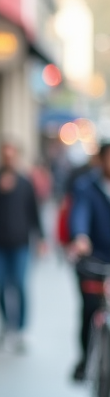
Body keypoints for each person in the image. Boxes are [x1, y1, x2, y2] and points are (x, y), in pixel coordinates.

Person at [0, 139, 42, 352]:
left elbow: (34, 212)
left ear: (17, 157)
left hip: (20, 244)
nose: (8, 159)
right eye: (5, 155)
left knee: (20, 286)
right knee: (1, 287)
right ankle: (6, 326)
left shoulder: (25, 182)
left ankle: (21, 329)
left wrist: (41, 238)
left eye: (12, 155)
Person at [67, 142, 110, 380]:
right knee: (90, 309)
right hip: (94, 258)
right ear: (101, 160)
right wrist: (80, 237)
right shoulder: (86, 187)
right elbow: (80, 214)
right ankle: (86, 358)